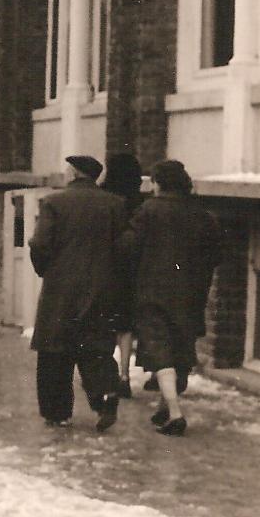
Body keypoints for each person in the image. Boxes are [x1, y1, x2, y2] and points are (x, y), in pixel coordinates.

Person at [117, 160, 222, 437]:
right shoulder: (202, 214)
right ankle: (164, 407)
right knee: (180, 348)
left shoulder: (149, 210)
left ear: (158, 183)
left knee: (160, 350)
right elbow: (216, 254)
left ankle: (174, 412)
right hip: (191, 293)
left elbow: (128, 247)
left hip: (153, 291)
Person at [28, 154, 127, 431]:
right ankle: (105, 394)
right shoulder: (115, 204)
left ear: (72, 173)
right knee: (95, 346)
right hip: (101, 287)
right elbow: (123, 247)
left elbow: (40, 244)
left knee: (55, 350)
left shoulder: (54, 202)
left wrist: (46, 270)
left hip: (60, 289)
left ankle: (57, 411)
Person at [100, 153, 147, 396]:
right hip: (131, 270)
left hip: (106, 268)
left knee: (103, 324)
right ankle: (124, 374)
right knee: (125, 325)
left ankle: (105, 373)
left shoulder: (104, 200)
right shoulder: (140, 203)